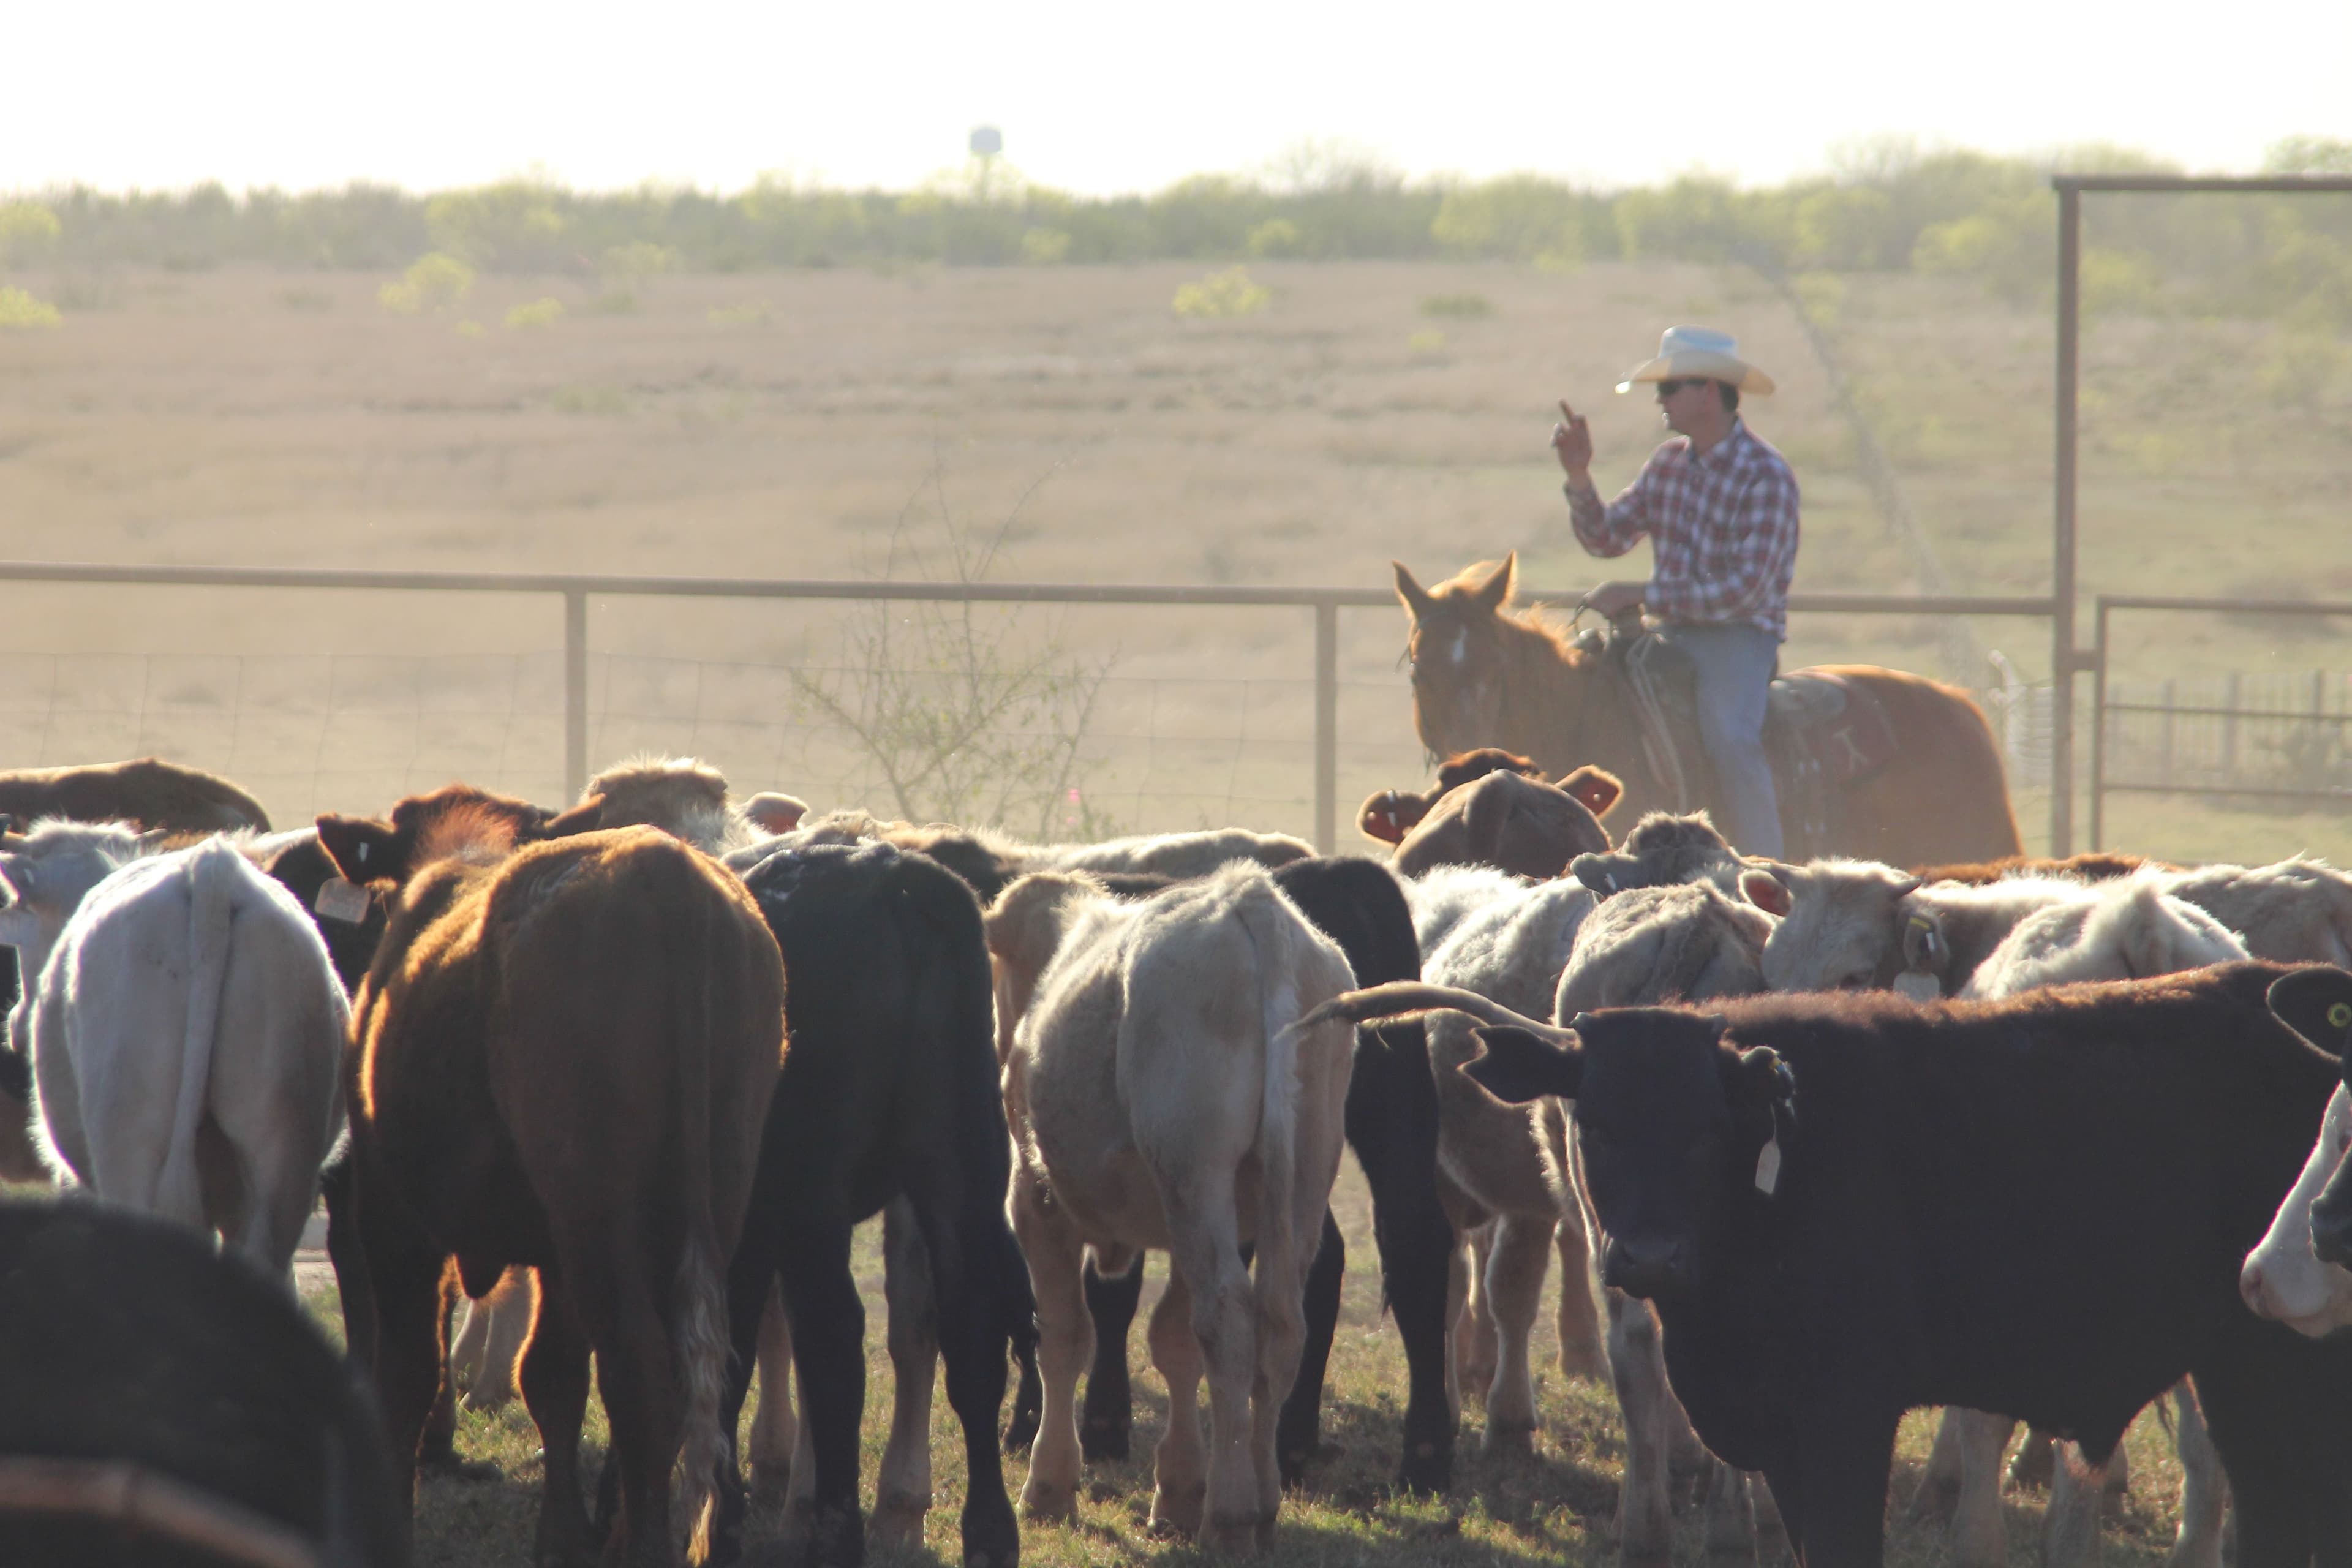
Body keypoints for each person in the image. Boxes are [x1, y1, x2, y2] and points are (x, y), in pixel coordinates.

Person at [1551, 325, 1800, 858]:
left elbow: (1745, 590)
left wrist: (1644, 595)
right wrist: (1578, 476)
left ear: (1708, 391)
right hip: (1671, 636)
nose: (1660, 400)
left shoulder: (1766, 475)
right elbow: (1608, 536)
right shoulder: (1667, 464)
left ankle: (1766, 867)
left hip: (1737, 639)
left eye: (1670, 388)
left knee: (1731, 739)